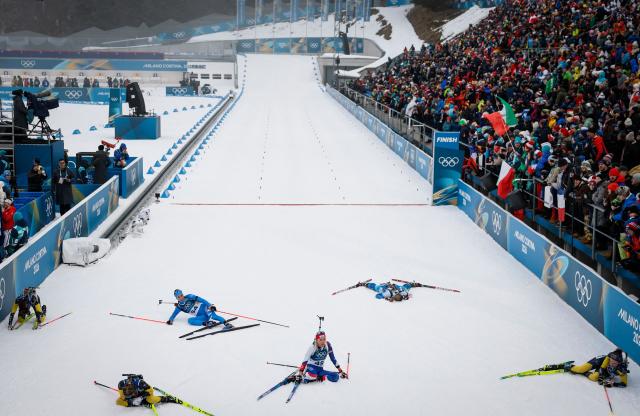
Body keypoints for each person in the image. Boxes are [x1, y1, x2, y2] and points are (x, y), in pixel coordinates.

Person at [166, 289, 232, 328]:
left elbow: (201, 300)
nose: (181, 297)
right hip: (202, 316)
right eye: (179, 297)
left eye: (181, 295)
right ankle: (206, 323)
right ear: (176, 298)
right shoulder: (179, 307)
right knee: (190, 321)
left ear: (183, 294)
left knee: (213, 316)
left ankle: (226, 323)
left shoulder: (189, 296)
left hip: (205, 308)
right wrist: (170, 320)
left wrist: (210, 306)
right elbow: (173, 315)